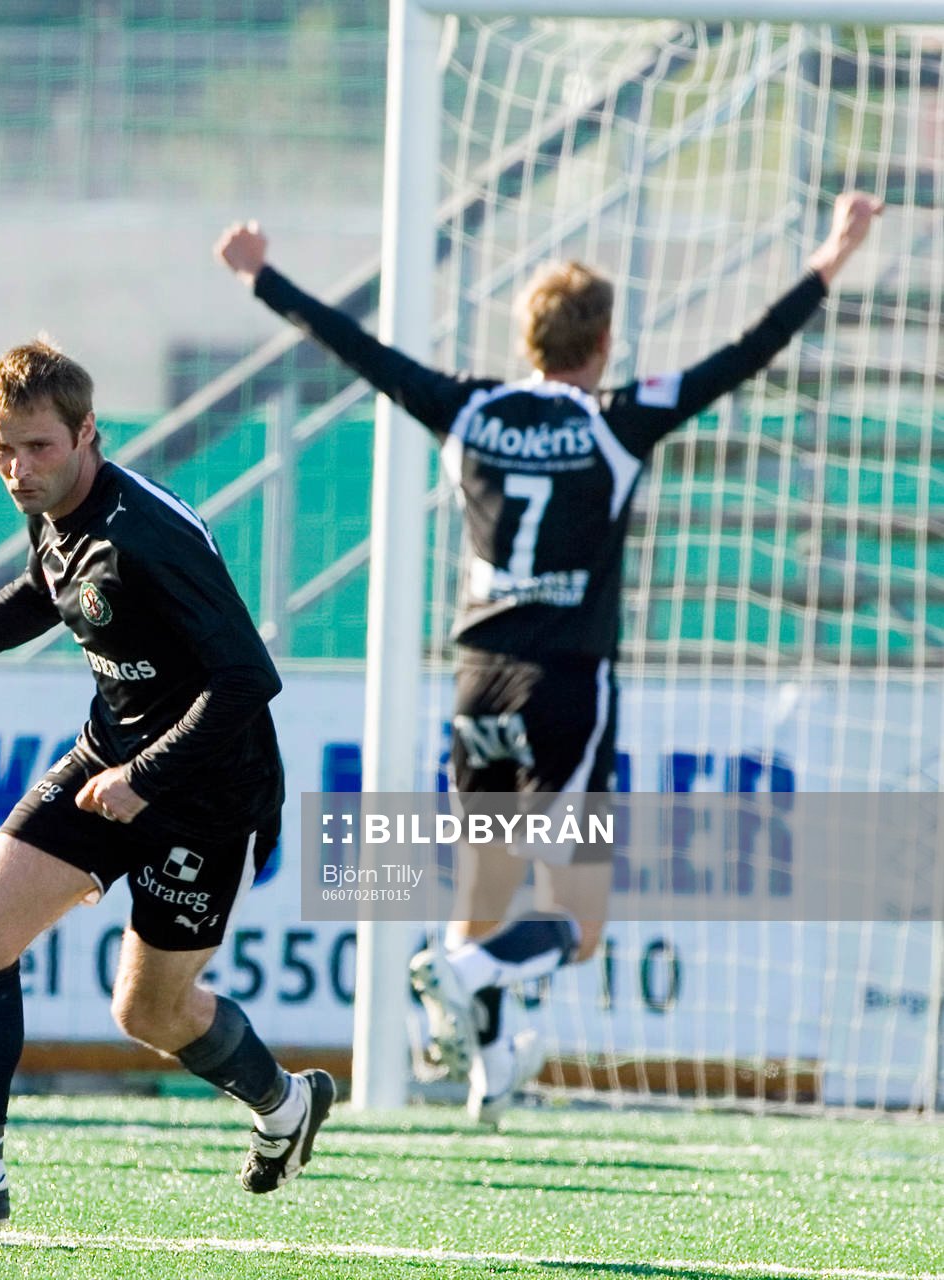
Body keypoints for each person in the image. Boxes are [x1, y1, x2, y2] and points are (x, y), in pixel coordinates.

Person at [215, 192, 882, 1124]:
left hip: (477, 683)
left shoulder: (468, 407)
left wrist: (264, 278)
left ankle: (490, 1065)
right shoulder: (619, 417)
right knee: (579, 921)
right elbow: (746, 353)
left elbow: (362, 352)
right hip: (566, 685)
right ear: (602, 342)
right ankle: (460, 976)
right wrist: (830, 258)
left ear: (528, 339)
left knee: (485, 891)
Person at [0, 338, 333, 1240]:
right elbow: (45, 588)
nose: (18, 469)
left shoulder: (146, 531)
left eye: (38, 447)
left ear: (89, 433)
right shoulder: (51, 508)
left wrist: (145, 779)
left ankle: (284, 1103)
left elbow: (247, 678)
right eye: (1, 449)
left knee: (148, 1012)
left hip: (208, 794)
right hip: (106, 761)